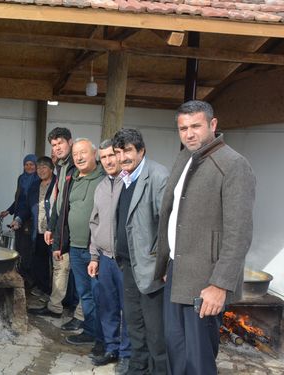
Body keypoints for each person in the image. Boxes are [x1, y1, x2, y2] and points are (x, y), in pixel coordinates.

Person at [155, 100, 256, 375]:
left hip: (205, 281)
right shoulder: (184, 158)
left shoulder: (234, 164)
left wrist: (219, 285)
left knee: (198, 360)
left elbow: (239, 232)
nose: (189, 133)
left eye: (195, 126)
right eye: (183, 128)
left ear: (212, 124)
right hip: (177, 272)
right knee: (175, 349)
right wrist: (167, 263)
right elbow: (172, 214)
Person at [112, 128, 169, 375]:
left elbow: (167, 225)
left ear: (141, 150)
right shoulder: (124, 178)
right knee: (134, 322)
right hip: (128, 264)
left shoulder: (158, 176)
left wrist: (163, 264)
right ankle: (138, 367)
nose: (122, 157)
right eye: (118, 152)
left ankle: (158, 371)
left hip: (151, 268)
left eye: (128, 151)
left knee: (155, 329)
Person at [86, 139, 131, 373]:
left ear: (120, 154)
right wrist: (94, 257)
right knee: (108, 307)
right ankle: (111, 348)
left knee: (129, 309)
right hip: (104, 259)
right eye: (103, 157)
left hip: (127, 262)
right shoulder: (102, 186)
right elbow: (95, 223)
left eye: (111, 155)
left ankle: (126, 354)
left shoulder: (131, 183)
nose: (108, 161)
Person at [59, 139, 105, 353]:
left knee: (99, 294)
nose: (78, 157)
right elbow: (64, 212)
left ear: (94, 153)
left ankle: (103, 337)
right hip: (76, 248)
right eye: (76, 153)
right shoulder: (72, 179)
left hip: (96, 250)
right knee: (84, 293)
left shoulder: (105, 179)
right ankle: (90, 330)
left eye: (83, 152)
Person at [30, 128, 77, 322]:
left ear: (70, 142)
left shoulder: (76, 166)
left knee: (75, 272)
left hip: (74, 229)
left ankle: (78, 313)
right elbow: (59, 203)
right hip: (58, 228)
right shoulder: (63, 167)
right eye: (54, 145)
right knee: (61, 268)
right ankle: (55, 306)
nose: (57, 148)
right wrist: (52, 227)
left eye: (60, 143)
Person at [11, 156, 57, 299]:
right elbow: (26, 206)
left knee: (56, 265)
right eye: (39, 168)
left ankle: (58, 296)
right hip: (38, 230)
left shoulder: (58, 185)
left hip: (55, 231)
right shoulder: (34, 186)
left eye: (44, 167)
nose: (40, 170)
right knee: (40, 260)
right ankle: (43, 288)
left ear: (51, 169)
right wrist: (18, 219)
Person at [3, 154, 38, 285]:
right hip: (18, 217)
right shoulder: (21, 179)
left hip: (29, 219)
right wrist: (9, 210)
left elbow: (30, 204)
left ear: (36, 166)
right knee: (19, 247)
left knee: (27, 249)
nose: (28, 167)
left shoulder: (37, 181)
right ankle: (20, 275)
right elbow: (19, 200)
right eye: (26, 164)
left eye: (32, 164)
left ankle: (28, 279)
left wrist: (19, 218)